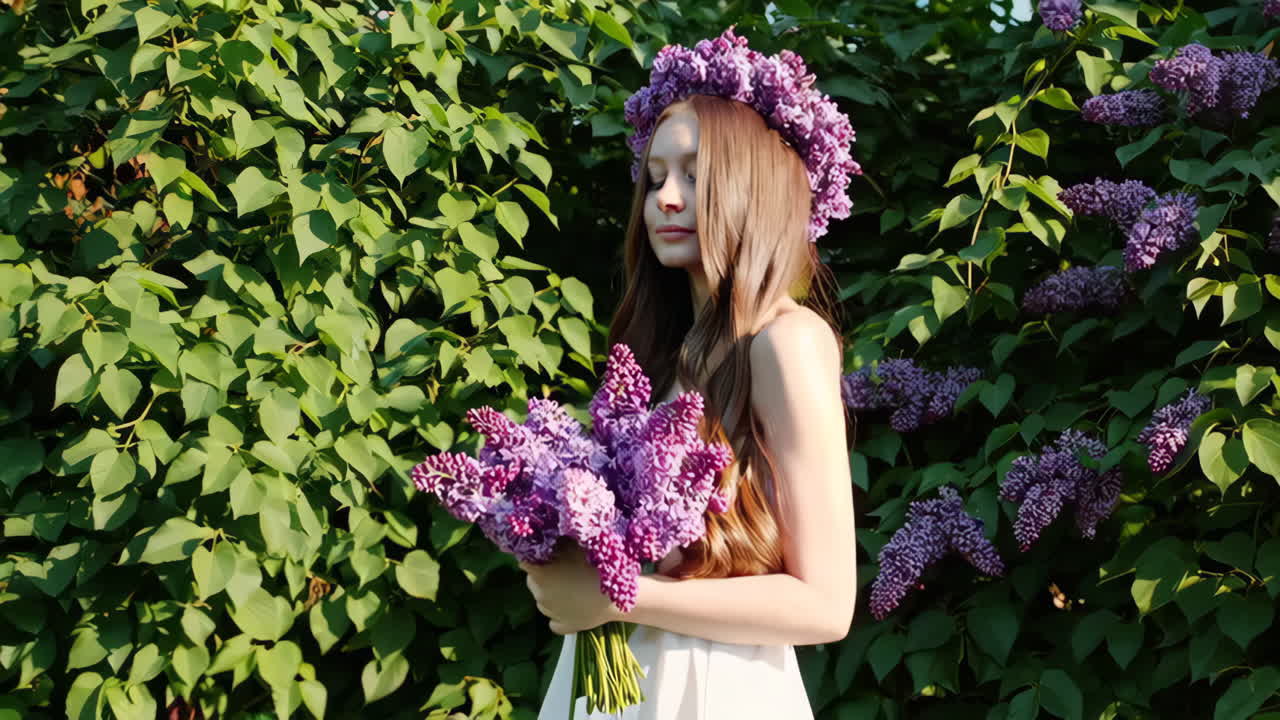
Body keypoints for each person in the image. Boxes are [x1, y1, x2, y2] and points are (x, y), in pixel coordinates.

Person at [525, 28, 860, 719]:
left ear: (756, 185)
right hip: (619, 688)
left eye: (694, 175)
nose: (665, 200)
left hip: (716, 691)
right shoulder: (670, 356)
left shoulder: (785, 343)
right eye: (654, 179)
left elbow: (827, 604)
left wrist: (617, 592)